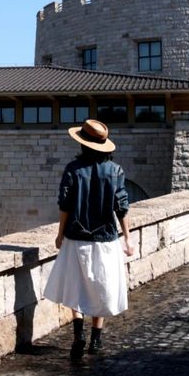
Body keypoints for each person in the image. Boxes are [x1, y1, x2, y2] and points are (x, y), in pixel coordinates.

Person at [44, 118, 134, 359]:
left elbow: (65, 204)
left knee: (75, 285)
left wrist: (60, 233)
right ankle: (96, 339)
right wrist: (127, 237)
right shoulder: (115, 171)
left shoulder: (73, 170)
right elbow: (122, 207)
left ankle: (78, 335)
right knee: (100, 287)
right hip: (105, 239)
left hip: (76, 237)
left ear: (83, 144)